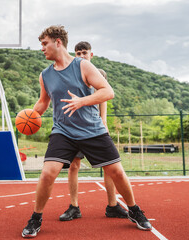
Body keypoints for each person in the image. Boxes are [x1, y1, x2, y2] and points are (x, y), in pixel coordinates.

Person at [22, 25, 152, 238]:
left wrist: (82, 101)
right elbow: (43, 102)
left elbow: (108, 91)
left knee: (117, 172)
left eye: (44, 43)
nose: (42, 48)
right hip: (63, 131)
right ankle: (36, 218)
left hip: (92, 129)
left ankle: (134, 210)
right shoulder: (45, 75)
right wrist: (28, 115)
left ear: (58, 42)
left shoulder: (82, 66)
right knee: (48, 173)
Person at [59, 41, 127, 222]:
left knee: (110, 167)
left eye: (84, 53)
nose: (81, 56)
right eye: (78, 53)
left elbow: (103, 96)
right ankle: (74, 207)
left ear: (91, 54)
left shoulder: (98, 73)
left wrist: (103, 120)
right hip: (73, 127)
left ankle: (112, 205)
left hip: (93, 127)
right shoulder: (70, 73)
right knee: (74, 166)